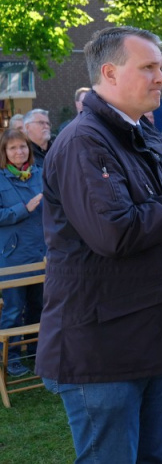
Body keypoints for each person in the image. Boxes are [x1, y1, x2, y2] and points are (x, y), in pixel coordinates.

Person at [36, 26, 162, 463]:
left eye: (161, 67)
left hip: (155, 340)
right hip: (104, 351)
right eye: (148, 67)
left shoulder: (145, 135)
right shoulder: (83, 142)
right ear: (109, 73)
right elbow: (117, 234)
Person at [0, 129, 45, 378]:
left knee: (39, 308)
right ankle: (12, 359)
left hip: (41, 253)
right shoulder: (1, 178)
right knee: (14, 310)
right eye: (13, 148)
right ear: (4, 153)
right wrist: (22, 209)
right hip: (13, 257)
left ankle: (37, 353)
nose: (19, 151)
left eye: (23, 147)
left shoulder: (40, 173)